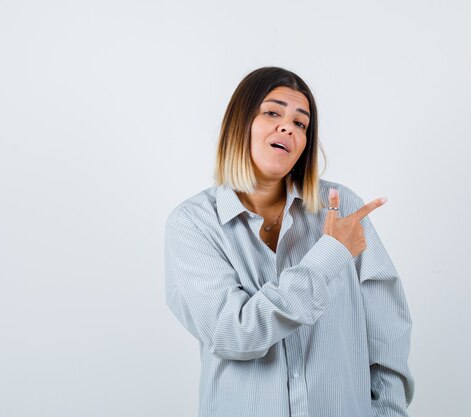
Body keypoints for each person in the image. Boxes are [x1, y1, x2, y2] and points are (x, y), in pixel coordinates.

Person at [164, 67, 414, 417]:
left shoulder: (342, 209)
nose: (288, 127)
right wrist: (329, 256)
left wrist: (388, 412)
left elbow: (386, 331)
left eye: (301, 123)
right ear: (240, 123)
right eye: (272, 112)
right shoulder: (192, 224)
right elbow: (232, 333)